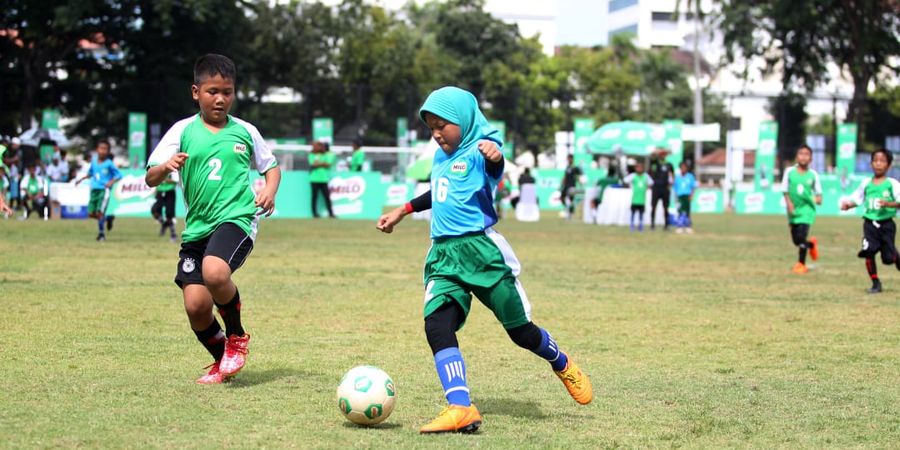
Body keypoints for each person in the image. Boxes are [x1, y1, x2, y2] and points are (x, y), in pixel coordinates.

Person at [376, 87, 592, 434]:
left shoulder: (480, 151)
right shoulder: (440, 158)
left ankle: (561, 362)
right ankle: (461, 407)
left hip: (481, 253)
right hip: (443, 255)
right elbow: (440, 191)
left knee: (521, 332)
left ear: (463, 120)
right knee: (436, 326)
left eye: (442, 125)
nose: (435, 133)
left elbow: (495, 165)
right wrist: (402, 210)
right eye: (430, 127)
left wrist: (494, 156)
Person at [145, 54, 281, 384]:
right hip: (197, 228)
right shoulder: (182, 131)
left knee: (215, 272)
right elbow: (150, 177)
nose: (220, 99)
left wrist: (269, 190)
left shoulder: (245, 131)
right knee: (196, 306)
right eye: (212, 91)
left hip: (236, 218)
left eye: (227, 92)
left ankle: (236, 338)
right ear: (196, 92)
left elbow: (271, 166)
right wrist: (165, 167)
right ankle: (223, 361)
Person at [840, 149, 900, 293]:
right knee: (868, 252)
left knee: (888, 259)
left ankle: (896, 258)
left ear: (889, 165)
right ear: (871, 163)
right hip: (869, 224)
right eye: (875, 160)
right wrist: (848, 205)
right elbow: (857, 199)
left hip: (887, 225)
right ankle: (875, 283)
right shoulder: (866, 183)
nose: (878, 164)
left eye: (882, 161)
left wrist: (889, 204)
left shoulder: (892, 183)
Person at [781, 145, 822, 273]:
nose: (803, 156)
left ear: (811, 159)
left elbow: (819, 196)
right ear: (796, 156)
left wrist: (814, 199)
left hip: (807, 211)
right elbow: (785, 190)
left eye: (806, 154)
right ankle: (811, 245)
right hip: (793, 211)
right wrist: (789, 204)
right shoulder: (789, 172)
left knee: (800, 237)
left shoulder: (813, 174)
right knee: (796, 241)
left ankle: (801, 264)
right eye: (801, 153)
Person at [75, 140, 122, 241]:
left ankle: (101, 234)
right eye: (101, 148)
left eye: (105, 149)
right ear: (97, 150)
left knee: (100, 212)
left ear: (108, 151)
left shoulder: (109, 163)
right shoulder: (94, 162)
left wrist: (111, 182)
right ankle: (108, 218)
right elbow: (91, 173)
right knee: (91, 213)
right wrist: (81, 179)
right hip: (94, 189)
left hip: (104, 190)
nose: (103, 151)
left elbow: (119, 175)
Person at [309, 140, 336, 218]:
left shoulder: (325, 154)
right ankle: (314, 214)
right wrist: (322, 163)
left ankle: (331, 213)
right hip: (314, 179)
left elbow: (327, 164)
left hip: (323, 179)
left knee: (327, 197)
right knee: (314, 197)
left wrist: (318, 163)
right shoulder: (311, 154)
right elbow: (313, 164)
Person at [648, 151, 674, 230]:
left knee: (666, 207)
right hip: (656, 188)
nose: (662, 156)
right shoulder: (655, 163)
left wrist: (670, 184)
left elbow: (672, 175)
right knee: (653, 207)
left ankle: (666, 224)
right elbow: (652, 156)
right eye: (661, 155)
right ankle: (652, 224)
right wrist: (661, 151)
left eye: (664, 155)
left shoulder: (669, 165)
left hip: (665, 188)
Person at [623, 162, 653, 232]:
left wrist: (647, 187)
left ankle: (641, 225)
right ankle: (632, 225)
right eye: (637, 167)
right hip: (634, 199)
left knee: (641, 214)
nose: (639, 169)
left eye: (640, 167)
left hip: (642, 199)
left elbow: (651, 182)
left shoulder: (645, 176)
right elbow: (625, 180)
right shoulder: (633, 176)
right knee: (633, 213)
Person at [151, 170, 178, 242]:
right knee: (154, 210)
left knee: (169, 214)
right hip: (160, 192)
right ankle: (164, 223)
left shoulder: (173, 169)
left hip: (170, 192)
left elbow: (176, 180)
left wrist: (165, 179)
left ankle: (173, 234)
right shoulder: (160, 166)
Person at [673, 161, 698, 234]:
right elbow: (675, 188)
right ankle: (679, 227)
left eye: (685, 167)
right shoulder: (677, 177)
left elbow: (693, 187)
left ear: (687, 168)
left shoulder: (690, 176)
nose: (683, 169)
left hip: (687, 196)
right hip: (680, 196)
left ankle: (688, 226)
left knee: (687, 212)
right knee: (680, 211)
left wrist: (692, 195)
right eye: (682, 167)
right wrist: (676, 197)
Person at [560, 154, 582, 219]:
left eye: (569, 158)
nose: (568, 160)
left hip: (572, 186)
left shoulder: (575, 167)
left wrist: (580, 182)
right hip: (566, 185)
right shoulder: (567, 167)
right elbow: (565, 176)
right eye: (568, 158)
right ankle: (569, 210)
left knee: (570, 199)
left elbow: (579, 176)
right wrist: (562, 183)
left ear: (572, 159)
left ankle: (570, 212)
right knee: (562, 198)